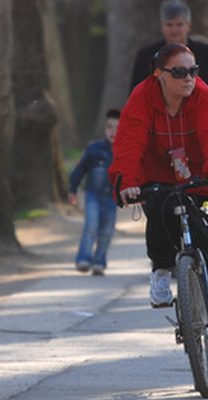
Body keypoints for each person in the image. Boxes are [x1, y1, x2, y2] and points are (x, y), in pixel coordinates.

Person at [110, 42, 208, 366]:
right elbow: (129, 142)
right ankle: (160, 268)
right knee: (158, 208)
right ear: (159, 74)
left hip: (200, 176)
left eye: (193, 71)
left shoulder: (202, 94)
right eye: (180, 72)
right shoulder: (142, 97)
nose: (189, 78)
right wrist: (128, 184)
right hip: (158, 176)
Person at [130, 0, 208, 161]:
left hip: (200, 138)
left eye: (179, 25)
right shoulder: (145, 57)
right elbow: (135, 101)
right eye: (169, 25)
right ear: (162, 26)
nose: (175, 30)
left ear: (188, 25)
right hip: (159, 140)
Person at [68, 109, 120, 276]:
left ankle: (99, 261)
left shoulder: (124, 151)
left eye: (117, 127)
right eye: (110, 127)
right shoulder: (94, 149)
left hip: (112, 198)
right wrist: (72, 190)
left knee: (107, 230)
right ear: (105, 129)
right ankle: (83, 258)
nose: (113, 131)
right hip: (93, 195)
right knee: (91, 225)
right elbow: (79, 170)